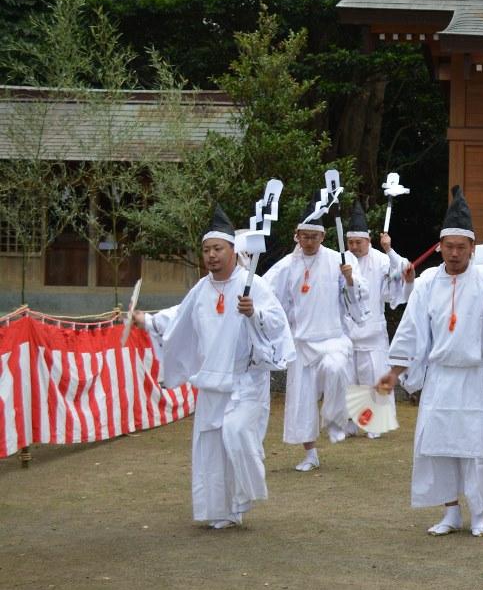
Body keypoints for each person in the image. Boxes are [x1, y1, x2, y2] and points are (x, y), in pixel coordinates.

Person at [377, 186, 483, 537]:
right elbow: (412, 331)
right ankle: (450, 512)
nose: (455, 253)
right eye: (449, 246)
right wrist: (394, 371)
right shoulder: (429, 281)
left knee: (478, 447)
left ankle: (479, 513)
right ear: (440, 246)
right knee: (440, 447)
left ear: (472, 249)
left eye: (462, 247)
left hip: (476, 378)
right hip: (441, 379)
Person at [136, 205, 294, 528]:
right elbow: (179, 318)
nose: (211, 256)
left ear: (233, 251)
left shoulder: (255, 286)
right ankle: (220, 512)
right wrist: (148, 321)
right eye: (207, 250)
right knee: (211, 449)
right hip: (211, 383)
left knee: (237, 434)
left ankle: (245, 496)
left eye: (217, 249)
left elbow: (277, 324)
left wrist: (254, 314)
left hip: (246, 381)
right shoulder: (201, 289)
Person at [263, 202, 367, 471]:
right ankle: (310, 453)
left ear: (323, 236)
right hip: (301, 342)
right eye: (304, 236)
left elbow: (357, 300)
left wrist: (350, 280)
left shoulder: (339, 260)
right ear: (297, 235)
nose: (309, 241)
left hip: (332, 337)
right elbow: (267, 296)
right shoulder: (286, 266)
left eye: (314, 236)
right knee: (301, 401)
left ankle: (333, 419)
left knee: (335, 369)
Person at [343, 200, 412, 438]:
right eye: (350, 242)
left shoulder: (381, 259)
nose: (354, 247)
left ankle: (375, 424)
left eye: (358, 242)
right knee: (349, 381)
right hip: (348, 333)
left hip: (373, 333)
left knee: (374, 377)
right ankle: (350, 422)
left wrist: (389, 249)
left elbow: (402, 269)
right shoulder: (342, 261)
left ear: (368, 241)